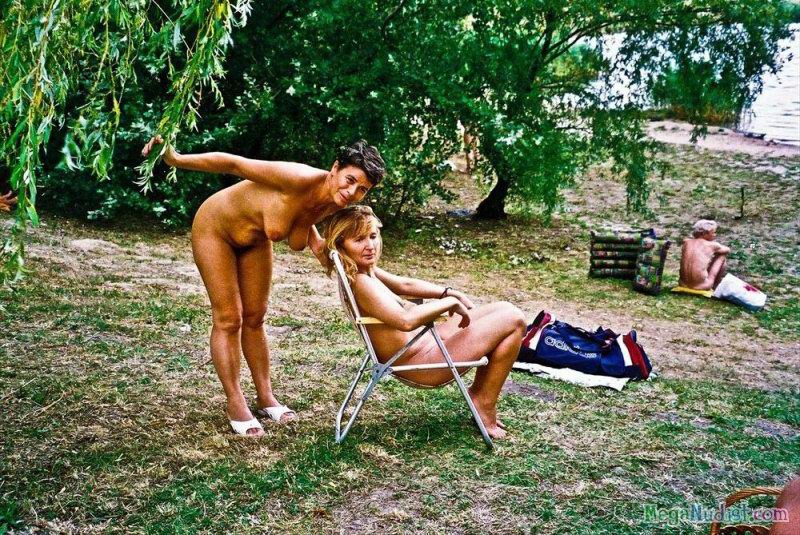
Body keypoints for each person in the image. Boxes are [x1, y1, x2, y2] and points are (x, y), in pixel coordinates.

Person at [141, 137, 385, 437]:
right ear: (335, 168)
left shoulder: (334, 203)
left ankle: (265, 397)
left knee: (255, 317)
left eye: (362, 189)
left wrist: (331, 254)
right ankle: (235, 402)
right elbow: (234, 164)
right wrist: (175, 159)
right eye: (350, 180)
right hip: (216, 228)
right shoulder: (297, 177)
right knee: (229, 318)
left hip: (255, 240)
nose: (352, 192)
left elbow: (306, 224)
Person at [322, 206, 525, 439]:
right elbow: (405, 321)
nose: (370, 245)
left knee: (503, 309)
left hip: (425, 343)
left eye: (373, 236)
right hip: (422, 363)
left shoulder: (365, 271)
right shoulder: (361, 282)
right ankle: (484, 402)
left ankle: (481, 395)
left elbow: (404, 285)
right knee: (514, 319)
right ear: (341, 245)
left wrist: (448, 292)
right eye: (359, 239)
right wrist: (448, 303)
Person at [678, 219, 731, 291]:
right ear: (704, 234)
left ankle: (700, 280)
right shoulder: (712, 245)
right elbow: (727, 250)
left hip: (683, 284)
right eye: (713, 233)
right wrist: (715, 249)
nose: (715, 235)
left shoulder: (686, 242)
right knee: (722, 255)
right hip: (702, 286)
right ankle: (715, 287)